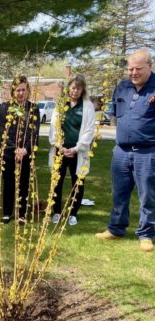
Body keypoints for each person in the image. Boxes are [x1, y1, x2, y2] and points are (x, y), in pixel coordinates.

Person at [95, 48, 155, 252]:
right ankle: (116, 229)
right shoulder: (122, 87)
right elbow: (113, 112)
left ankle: (146, 234)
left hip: (148, 152)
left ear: (150, 66)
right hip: (121, 151)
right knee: (119, 192)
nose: (133, 73)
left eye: (138, 68)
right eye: (130, 69)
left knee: (147, 195)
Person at [48, 74, 96, 226]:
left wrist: (76, 148)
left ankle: (73, 213)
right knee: (57, 182)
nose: (75, 91)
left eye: (79, 88)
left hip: (78, 152)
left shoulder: (87, 106)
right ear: (69, 88)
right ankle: (56, 211)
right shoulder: (61, 105)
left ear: (83, 90)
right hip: (60, 151)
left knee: (78, 182)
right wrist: (59, 146)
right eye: (73, 87)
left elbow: (89, 130)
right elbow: (53, 127)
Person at [0, 75, 40, 224]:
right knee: (8, 181)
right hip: (9, 152)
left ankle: (22, 213)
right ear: (13, 91)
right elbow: (4, 132)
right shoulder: (5, 108)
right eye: (18, 90)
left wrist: (25, 150)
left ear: (28, 90)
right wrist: (15, 148)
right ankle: (7, 212)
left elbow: (34, 133)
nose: (21, 93)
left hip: (26, 153)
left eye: (23, 90)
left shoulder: (33, 109)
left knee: (24, 182)